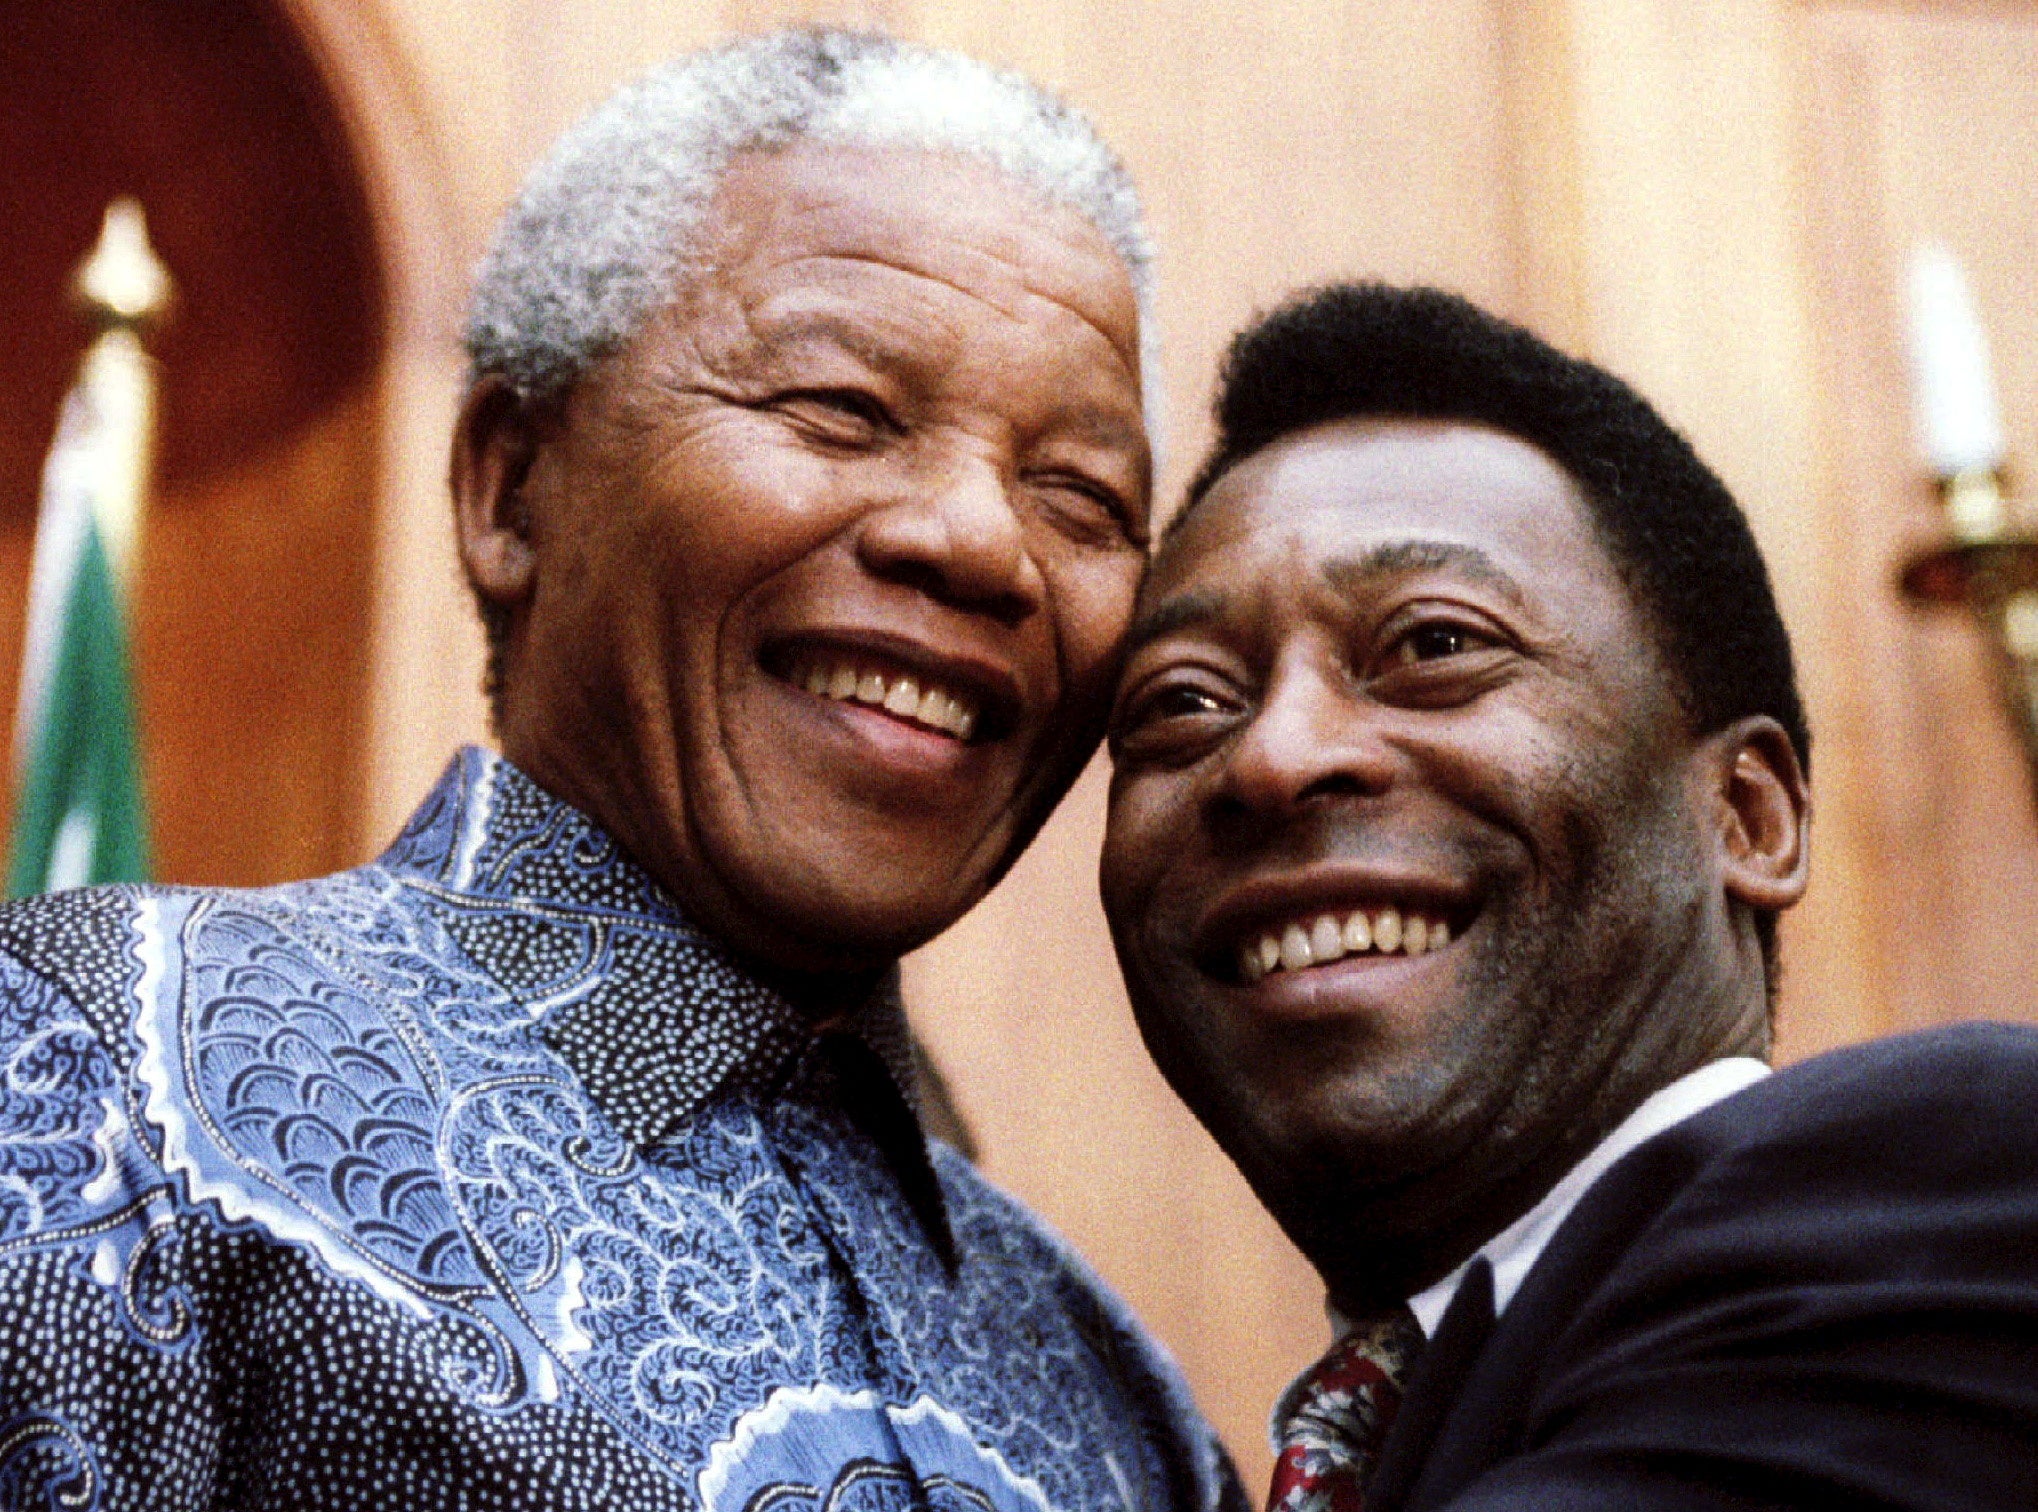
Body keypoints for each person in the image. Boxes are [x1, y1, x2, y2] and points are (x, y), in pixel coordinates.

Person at [0, 30, 1244, 1512]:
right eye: (840, 410)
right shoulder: (101, 1073)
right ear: (509, 488)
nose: (982, 544)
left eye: (1083, 495)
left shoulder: (1117, 1394)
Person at [1100, 282, 2038, 1510]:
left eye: (1433, 645)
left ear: (1746, 817)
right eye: (1181, 702)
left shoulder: (1939, 1180)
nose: (1271, 756)